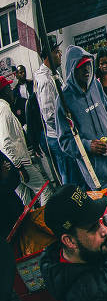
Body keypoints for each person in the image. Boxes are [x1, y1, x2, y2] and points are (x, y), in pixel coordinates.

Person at [55, 46, 107, 194]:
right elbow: (65, 141)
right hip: (99, 175)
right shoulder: (64, 100)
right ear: (72, 70)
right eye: (81, 67)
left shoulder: (96, 85)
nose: (86, 70)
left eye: (88, 65)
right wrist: (88, 146)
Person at [0, 77, 52, 206]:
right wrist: (19, 167)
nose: (12, 91)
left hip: (11, 163)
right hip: (18, 163)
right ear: (3, 91)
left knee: (25, 199)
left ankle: (30, 224)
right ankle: (44, 223)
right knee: (44, 191)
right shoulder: (4, 109)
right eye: (9, 88)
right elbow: (5, 140)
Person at [35, 37, 79, 184]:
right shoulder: (45, 80)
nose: (60, 55)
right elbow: (49, 115)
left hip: (64, 132)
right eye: (57, 52)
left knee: (72, 170)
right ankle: (72, 204)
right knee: (69, 174)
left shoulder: (54, 73)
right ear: (49, 55)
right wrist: (67, 129)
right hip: (59, 136)